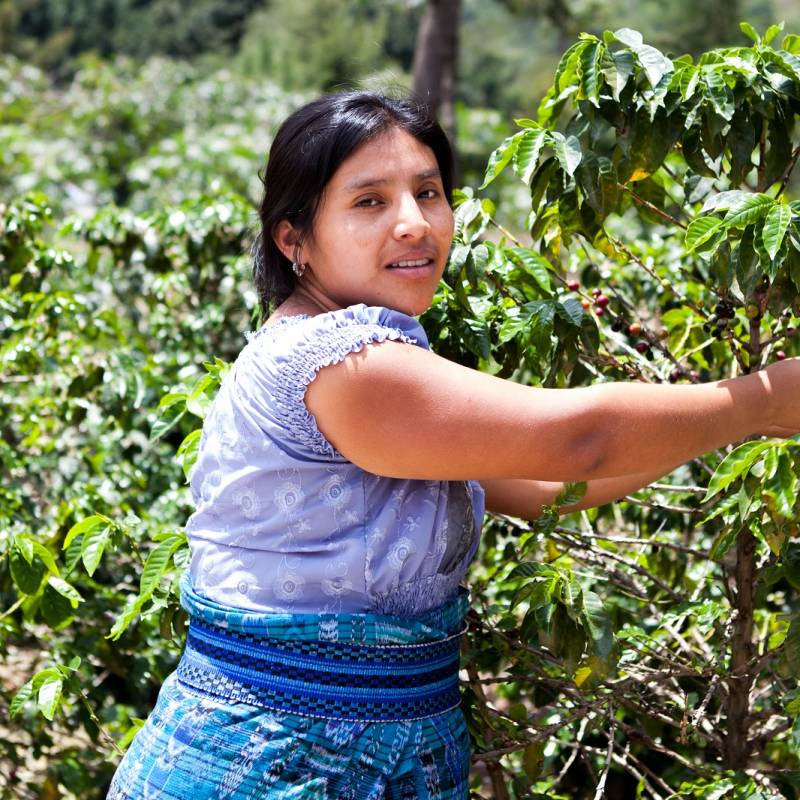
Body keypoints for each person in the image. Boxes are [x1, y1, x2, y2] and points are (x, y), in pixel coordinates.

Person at [107, 91, 800, 800]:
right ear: (294, 240)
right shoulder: (341, 362)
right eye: (369, 202)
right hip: (275, 765)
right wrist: (761, 399)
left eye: (429, 192)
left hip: (367, 756)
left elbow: (547, 488)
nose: (415, 223)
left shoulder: (374, 355)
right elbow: (579, 442)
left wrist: (751, 421)